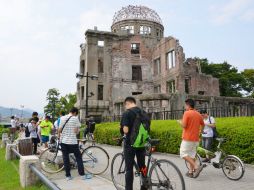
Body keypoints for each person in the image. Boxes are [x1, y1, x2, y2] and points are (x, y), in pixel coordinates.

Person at [120, 97, 149, 190]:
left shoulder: (127, 113)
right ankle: (144, 187)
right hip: (141, 142)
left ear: (127, 103)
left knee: (129, 169)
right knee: (142, 166)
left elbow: (126, 130)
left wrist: (122, 128)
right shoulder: (143, 112)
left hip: (130, 144)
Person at [58, 107, 92, 181]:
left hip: (63, 141)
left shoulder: (62, 118)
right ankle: (82, 175)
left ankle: (68, 176)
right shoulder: (75, 118)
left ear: (70, 111)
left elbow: (59, 130)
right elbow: (76, 132)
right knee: (78, 157)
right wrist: (77, 130)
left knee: (65, 158)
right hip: (72, 142)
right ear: (75, 113)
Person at [178, 99, 205, 178]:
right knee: (192, 156)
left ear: (188, 105)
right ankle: (190, 172)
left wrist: (180, 122)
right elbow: (203, 124)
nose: (185, 107)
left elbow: (184, 125)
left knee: (183, 154)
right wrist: (201, 132)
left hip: (187, 138)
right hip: (196, 139)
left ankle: (196, 167)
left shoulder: (187, 113)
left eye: (185, 105)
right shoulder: (198, 114)